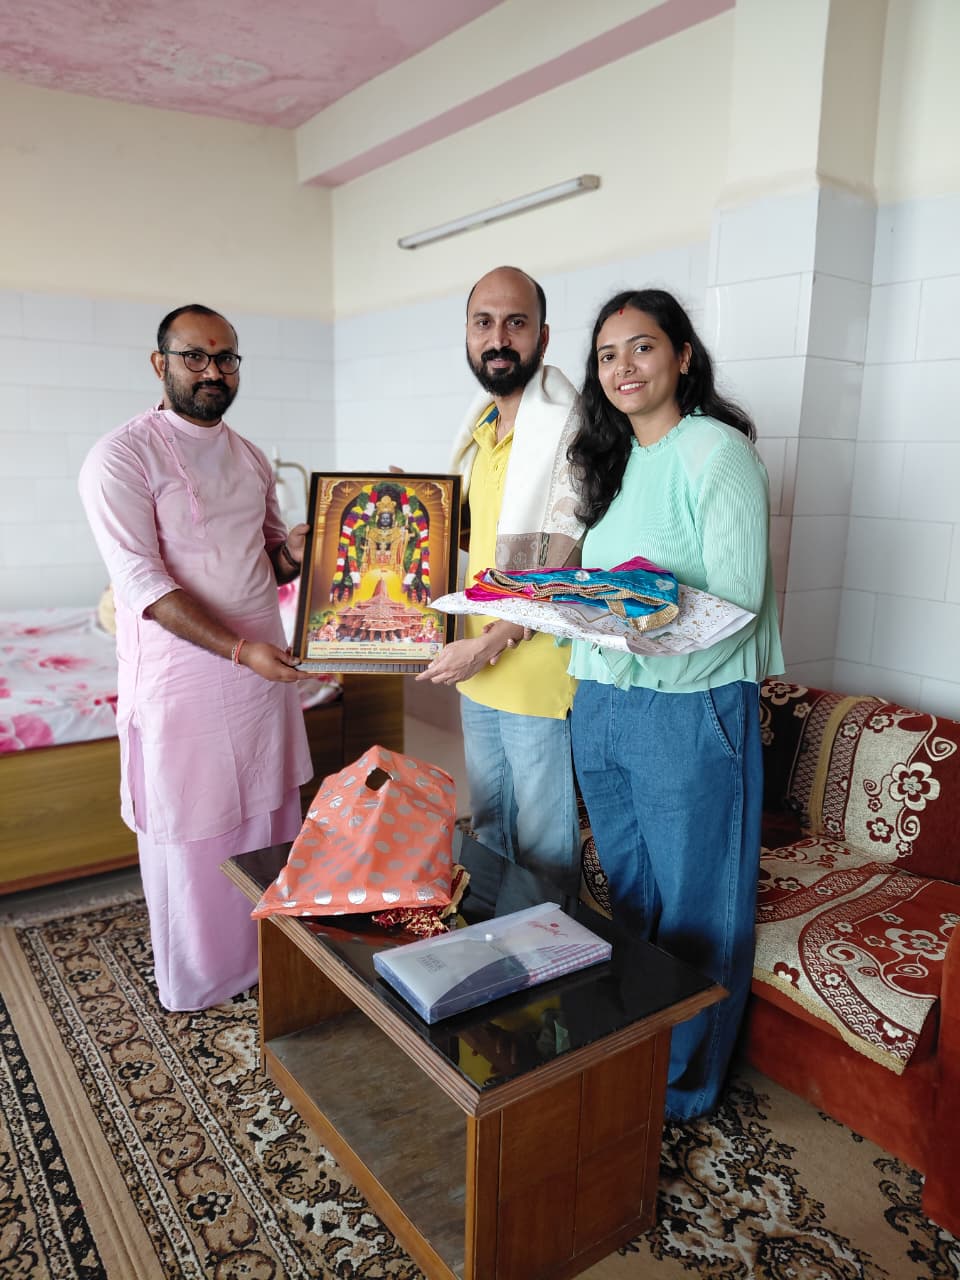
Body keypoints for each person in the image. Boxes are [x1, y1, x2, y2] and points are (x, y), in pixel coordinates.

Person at [566, 288, 784, 1120]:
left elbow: (734, 603)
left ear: (683, 356)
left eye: (642, 347)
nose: (623, 367)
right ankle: (640, 1052)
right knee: (630, 898)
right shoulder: (617, 462)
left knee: (699, 909)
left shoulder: (717, 453)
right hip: (603, 704)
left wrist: (624, 614)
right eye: (607, 354)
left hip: (688, 712)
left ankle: (682, 1090)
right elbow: (610, 591)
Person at [78, 304, 317, 1013]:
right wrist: (241, 650)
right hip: (186, 678)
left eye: (226, 358)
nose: (213, 371)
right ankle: (205, 977)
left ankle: (270, 953)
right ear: (161, 364)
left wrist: (296, 550)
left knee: (270, 815)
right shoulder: (120, 457)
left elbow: (268, 560)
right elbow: (143, 587)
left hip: (259, 676)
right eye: (195, 356)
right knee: (192, 829)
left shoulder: (249, 456)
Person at [417, 266, 584, 892]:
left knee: (544, 848)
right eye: (483, 323)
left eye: (516, 323)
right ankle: (491, 945)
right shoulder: (480, 433)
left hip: (537, 672)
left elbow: (568, 560)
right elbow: (484, 543)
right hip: (479, 667)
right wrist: (418, 517)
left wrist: (490, 642)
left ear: (543, 336)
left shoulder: (571, 433)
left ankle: (552, 953)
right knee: (488, 830)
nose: (498, 339)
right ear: (467, 334)